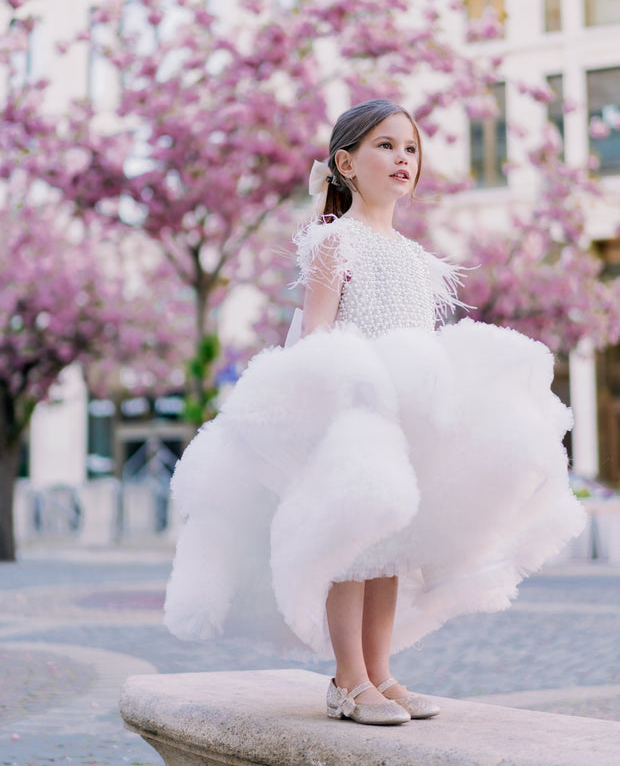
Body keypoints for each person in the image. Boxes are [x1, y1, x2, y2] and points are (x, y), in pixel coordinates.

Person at [165, 99, 585, 727]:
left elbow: (421, 341)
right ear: (346, 163)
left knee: (392, 546)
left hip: (407, 414)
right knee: (355, 544)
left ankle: (381, 673)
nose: (402, 159)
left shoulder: (419, 258)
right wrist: (328, 402)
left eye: (411, 149)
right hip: (354, 410)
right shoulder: (335, 241)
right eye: (385, 146)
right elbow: (317, 330)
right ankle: (348, 679)